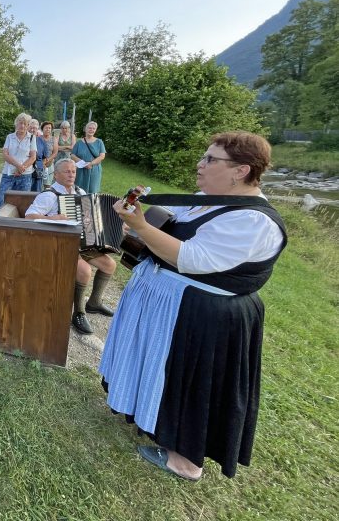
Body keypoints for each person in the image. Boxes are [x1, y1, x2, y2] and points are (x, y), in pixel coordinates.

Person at [100, 132, 287, 481]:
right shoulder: (206, 199)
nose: (200, 164)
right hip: (171, 303)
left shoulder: (254, 221)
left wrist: (139, 226)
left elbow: (192, 258)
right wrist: (139, 224)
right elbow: (167, 227)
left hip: (202, 316)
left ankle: (185, 461)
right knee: (161, 369)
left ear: (241, 170)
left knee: (191, 380)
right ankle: (151, 418)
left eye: (211, 159)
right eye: (204, 157)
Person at [24, 159, 117, 334]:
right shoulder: (49, 195)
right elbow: (29, 216)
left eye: (73, 171)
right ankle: (78, 313)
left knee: (109, 265)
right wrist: (54, 218)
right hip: (61, 244)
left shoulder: (80, 192)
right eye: (67, 171)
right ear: (56, 174)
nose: (71, 175)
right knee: (85, 270)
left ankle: (94, 302)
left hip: (82, 244)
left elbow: (89, 218)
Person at [0, 113, 37, 211]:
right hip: (8, 173)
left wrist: (21, 169)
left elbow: (33, 157)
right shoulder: (10, 137)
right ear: (16, 123)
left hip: (25, 175)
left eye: (25, 124)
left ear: (28, 125)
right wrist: (18, 166)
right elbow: (5, 154)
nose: (22, 126)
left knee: (23, 202)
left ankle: (19, 220)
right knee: (1, 199)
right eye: (20, 123)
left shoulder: (32, 138)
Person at [72, 121, 106, 193]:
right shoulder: (79, 142)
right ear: (85, 129)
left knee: (92, 190)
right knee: (79, 190)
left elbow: (102, 156)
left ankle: (91, 200)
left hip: (94, 169)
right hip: (81, 169)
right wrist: (83, 163)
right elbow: (72, 155)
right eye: (90, 128)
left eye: (94, 128)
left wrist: (90, 164)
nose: (91, 130)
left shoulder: (99, 142)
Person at [29, 118, 52, 193]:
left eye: (35, 128)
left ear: (37, 129)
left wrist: (42, 166)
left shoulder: (41, 141)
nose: (32, 130)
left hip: (38, 170)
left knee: (37, 191)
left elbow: (45, 157)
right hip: (26, 169)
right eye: (31, 127)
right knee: (26, 191)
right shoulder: (25, 139)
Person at [41, 121, 58, 187]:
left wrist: (47, 160)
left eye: (49, 128)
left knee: (48, 186)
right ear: (42, 129)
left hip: (49, 165)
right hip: (39, 165)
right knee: (38, 185)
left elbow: (55, 153)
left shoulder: (54, 139)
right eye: (46, 128)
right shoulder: (38, 138)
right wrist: (41, 162)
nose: (48, 129)